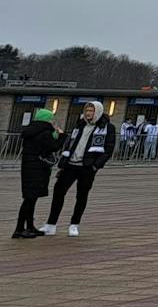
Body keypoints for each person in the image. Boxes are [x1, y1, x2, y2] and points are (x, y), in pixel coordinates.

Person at [41, 102, 114, 237]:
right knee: (58, 192)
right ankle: (51, 224)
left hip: (87, 167)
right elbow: (70, 144)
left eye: (91, 111)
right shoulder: (80, 125)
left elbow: (108, 149)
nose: (88, 113)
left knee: (81, 195)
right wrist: (63, 163)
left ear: (97, 111)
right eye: (87, 110)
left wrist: (95, 165)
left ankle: (74, 224)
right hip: (71, 164)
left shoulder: (107, 127)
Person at [14, 108, 61, 239]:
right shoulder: (45, 132)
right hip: (37, 169)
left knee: (31, 198)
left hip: (28, 167)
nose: (53, 121)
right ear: (47, 119)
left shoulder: (31, 130)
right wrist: (61, 136)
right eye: (51, 118)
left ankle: (29, 227)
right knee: (29, 199)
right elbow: (53, 146)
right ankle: (19, 229)